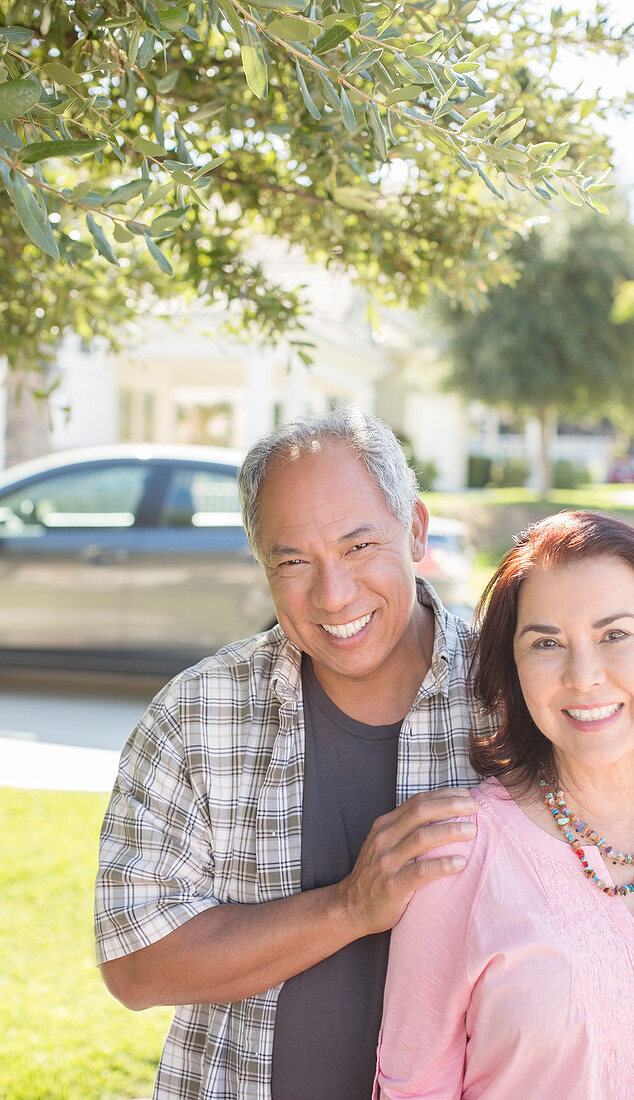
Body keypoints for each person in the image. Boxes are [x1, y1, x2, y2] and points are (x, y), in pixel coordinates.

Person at [94, 406, 488, 1100]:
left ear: (416, 530)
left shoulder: (512, 696)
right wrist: (347, 907)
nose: (332, 596)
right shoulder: (195, 713)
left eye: (358, 546)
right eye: (293, 561)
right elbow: (135, 962)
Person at [376, 509, 634, 1100]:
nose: (583, 675)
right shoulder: (457, 854)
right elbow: (414, 1088)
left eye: (614, 634)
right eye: (546, 643)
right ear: (515, 672)